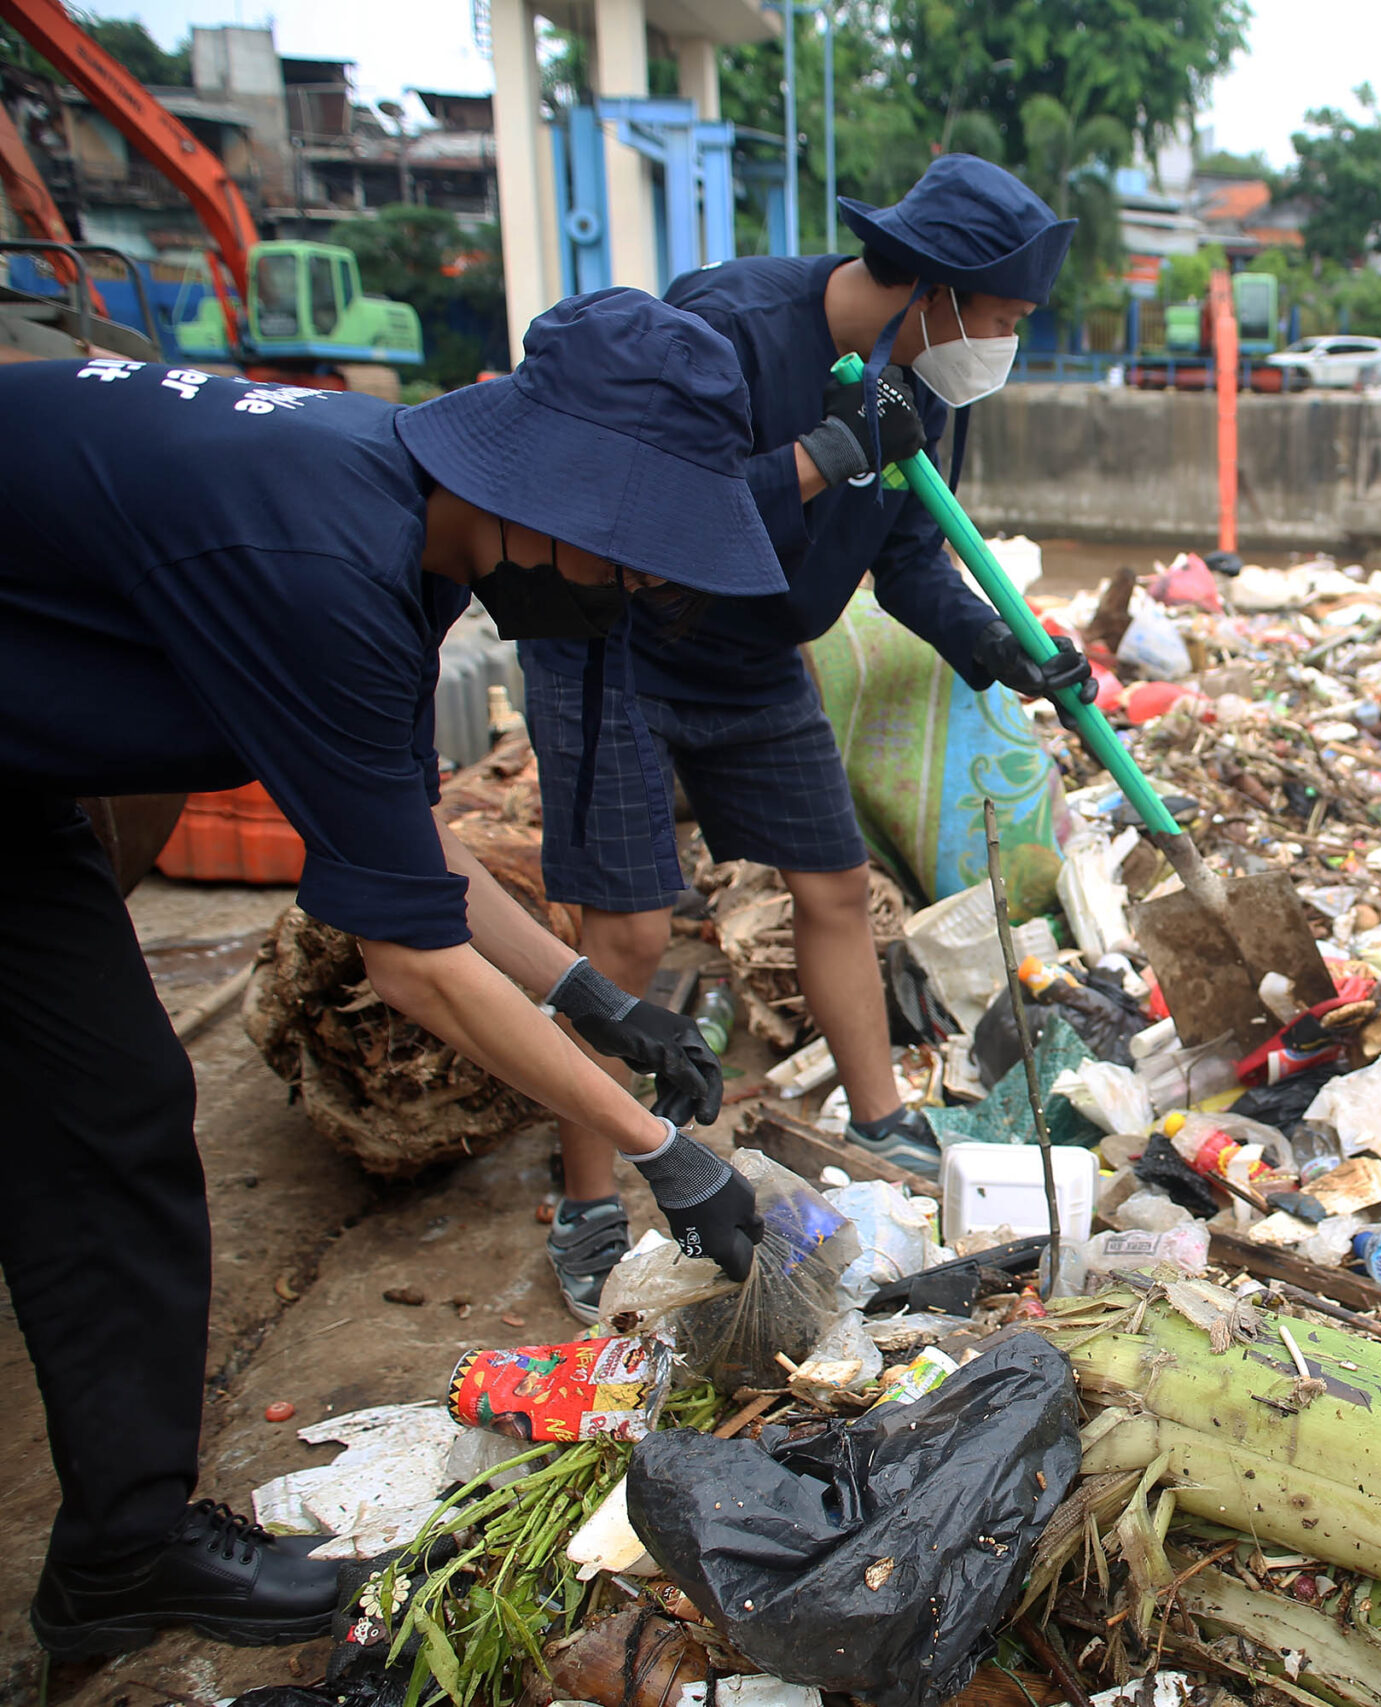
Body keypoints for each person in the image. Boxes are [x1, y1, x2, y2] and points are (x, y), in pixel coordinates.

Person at [0, 289, 779, 1657]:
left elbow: (403, 842)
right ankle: (121, 1548)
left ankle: (120, 1554)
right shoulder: (313, 551)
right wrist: (663, 1149)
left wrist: (602, 1004)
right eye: (635, 559)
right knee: (89, 1115)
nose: (634, 592)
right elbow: (410, 961)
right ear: (560, 500)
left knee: (109, 1112)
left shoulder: (397, 519)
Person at [517, 154, 1095, 1319]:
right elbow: (656, 511)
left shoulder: (925, 382)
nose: (1004, 341)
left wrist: (999, 648)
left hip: (751, 659)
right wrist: (825, 454)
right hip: (616, 643)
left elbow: (910, 552)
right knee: (623, 932)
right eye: (1002, 315)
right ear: (930, 283)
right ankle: (586, 1203)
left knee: (834, 885)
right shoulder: (725, 327)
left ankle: (882, 1123)